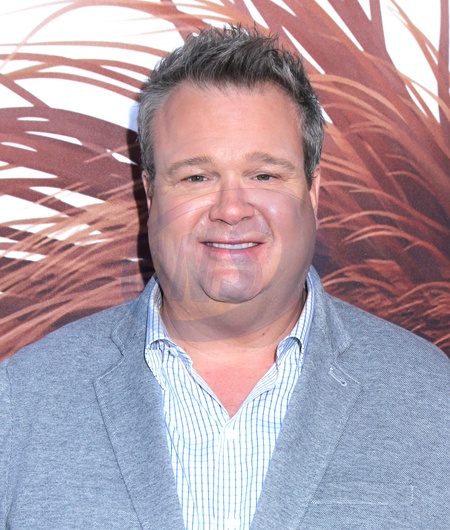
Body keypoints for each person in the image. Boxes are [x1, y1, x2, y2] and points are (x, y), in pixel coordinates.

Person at [0, 25, 448, 530]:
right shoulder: (22, 401)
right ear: (151, 193)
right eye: (197, 177)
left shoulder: (432, 401)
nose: (231, 209)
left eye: (265, 175)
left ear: (312, 190)